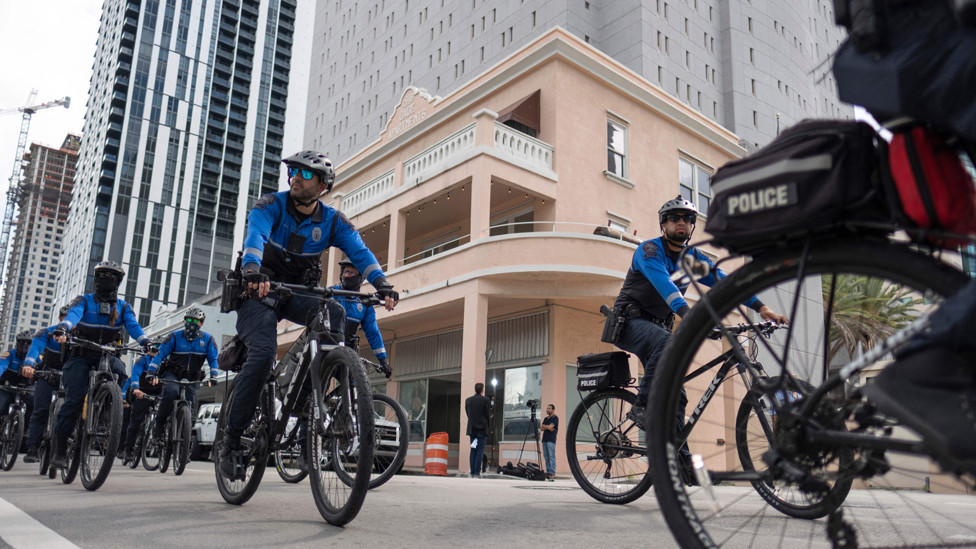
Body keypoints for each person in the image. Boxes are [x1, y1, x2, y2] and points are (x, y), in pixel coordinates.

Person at [219, 150, 399, 481]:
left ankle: (306, 418)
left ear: (323, 186)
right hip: (259, 290)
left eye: (305, 174)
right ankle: (231, 442)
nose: (296, 178)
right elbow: (255, 237)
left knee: (333, 314)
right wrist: (252, 270)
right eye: (294, 172)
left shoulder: (333, 220)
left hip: (300, 292)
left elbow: (360, 252)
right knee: (261, 357)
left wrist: (383, 284)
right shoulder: (270, 205)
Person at [608, 197, 786, 484]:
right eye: (674, 217)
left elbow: (725, 282)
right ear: (663, 224)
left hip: (658, 327)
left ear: (692, 226)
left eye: (687, 219)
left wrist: (761, 307)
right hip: (629, 323)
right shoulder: (650, 250)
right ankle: (642, 406)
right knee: (665, 344)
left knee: (677, 395)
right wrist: (689, 315)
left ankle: (680, 463)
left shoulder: (691, 259)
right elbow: (666, 287)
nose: (681, 222)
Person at [50, 260, 154, 469]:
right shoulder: (84, 300)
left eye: (113, 277)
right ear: (96, 278)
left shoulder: (123, 307)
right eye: (103, 275)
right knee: (74, 400)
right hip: (80, 354)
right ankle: (60, 450)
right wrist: (63, 327)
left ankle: (108, 411)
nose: (108, 280)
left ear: (119, 282)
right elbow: (73, 315)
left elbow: (133, 325)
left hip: (106, 354)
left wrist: (145, 341)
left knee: (119, 372)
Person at [145, 307, 218, 443]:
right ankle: (158, 428)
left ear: (201, 323)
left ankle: (184, 445)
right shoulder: (174, 337)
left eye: (196, 321)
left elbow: (213, 359)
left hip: (193, 377)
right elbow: (160, 354)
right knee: (171, 392)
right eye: (189, 319)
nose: (192, 323)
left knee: (190, 405)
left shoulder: (208, 340)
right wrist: (151, 371)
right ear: (184, 321)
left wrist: (213, 375)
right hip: (172, 375)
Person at [20, 306, 70, 464]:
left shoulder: (79, 337)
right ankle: (33, 447)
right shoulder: (46, 333)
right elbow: (35, 349)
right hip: (47, 374)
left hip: (69, 377)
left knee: (72, 409)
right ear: (61, 319)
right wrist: (28, 364)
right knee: (40, 409)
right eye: (66, 318)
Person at [333, 258, 392, 378]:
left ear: (361, 278)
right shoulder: (331, 293)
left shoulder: (364, 304)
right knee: (317, 383)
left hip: (348, 350)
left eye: (351, 272)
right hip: (326, 345)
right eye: (345, 272)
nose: (347, 275)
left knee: (355, 383)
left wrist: (383, 360)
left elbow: (373, 332)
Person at [119, 337, 163, 465]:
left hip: (158, 394)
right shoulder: (142, 360)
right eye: (155, 348)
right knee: (135, 421)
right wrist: (136, 389)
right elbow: (135, 375)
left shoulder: (164, 362)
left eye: (160, 349)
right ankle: (128, 450)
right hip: (142, 393)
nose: (156, 351)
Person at [0, 330, 34, 425]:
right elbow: (1, 366)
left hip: (26, 388)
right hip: (7, 387)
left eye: (29, 343)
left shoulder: (36, 357)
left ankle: (25, 431)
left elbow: (43, 368)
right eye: (22, 342)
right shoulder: (9, 354)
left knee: (34, 404)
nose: (25, 346)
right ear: (17, 343)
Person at [464, 382, 491, 478]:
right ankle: (476, 472)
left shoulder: (468, 400)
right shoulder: (485, 400)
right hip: (482, 429)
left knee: (473, 450)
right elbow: (487, 414)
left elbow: (468, 414)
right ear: (482, 390)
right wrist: (488, 425)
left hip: (472, 429)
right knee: (480, 451)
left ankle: (472, 472)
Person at [540, 403, 558, 481]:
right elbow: (541, 428)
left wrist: (546, 427)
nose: (547, 410)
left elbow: (550, 427)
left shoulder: (555, 418)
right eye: (547, 408)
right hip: (544, 440)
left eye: (549, 409)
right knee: (546, 457)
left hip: (551, 440)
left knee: (551, 456)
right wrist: (548, 427)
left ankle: (552, 472)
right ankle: (548, 472)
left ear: (553, 410)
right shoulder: (546, 418)